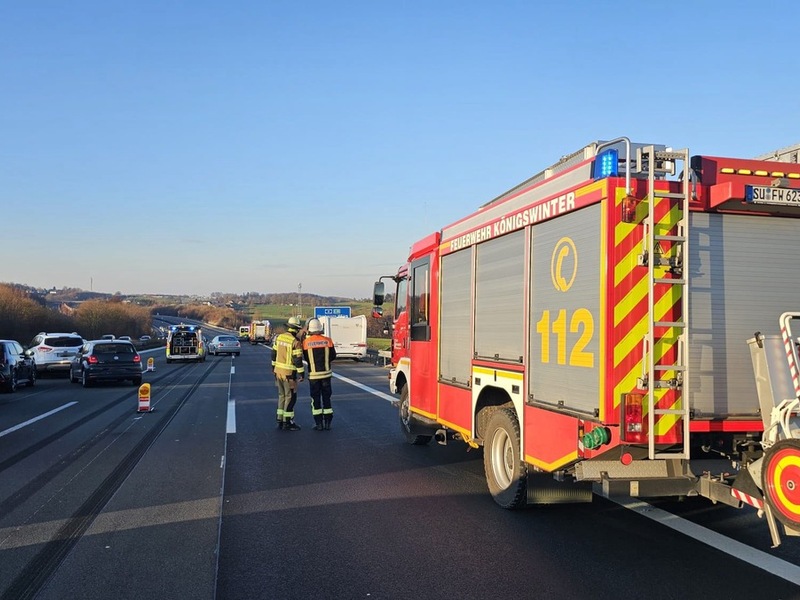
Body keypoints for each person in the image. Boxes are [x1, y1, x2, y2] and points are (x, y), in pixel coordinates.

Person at [271, 316, 305, 431]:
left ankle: (279, 420)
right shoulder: (295, 342)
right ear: (296, 330)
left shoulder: (279, 338)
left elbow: (273, 353)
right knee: (290, 397)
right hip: (289, 374)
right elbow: (297, 360)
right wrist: (301, 374)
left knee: (281, 396)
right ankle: (287, 422)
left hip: (278, 372)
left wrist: (273, 367)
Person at [302, 318, 336, 430]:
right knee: (327, 398)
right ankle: (328, 423)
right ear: (321, 328)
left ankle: (319, 424)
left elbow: (305, 358)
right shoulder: (328, 340)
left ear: (310, 330)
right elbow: (333, 356)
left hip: (314, 376)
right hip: (326, 375)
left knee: (315, 399)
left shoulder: (306, 343)